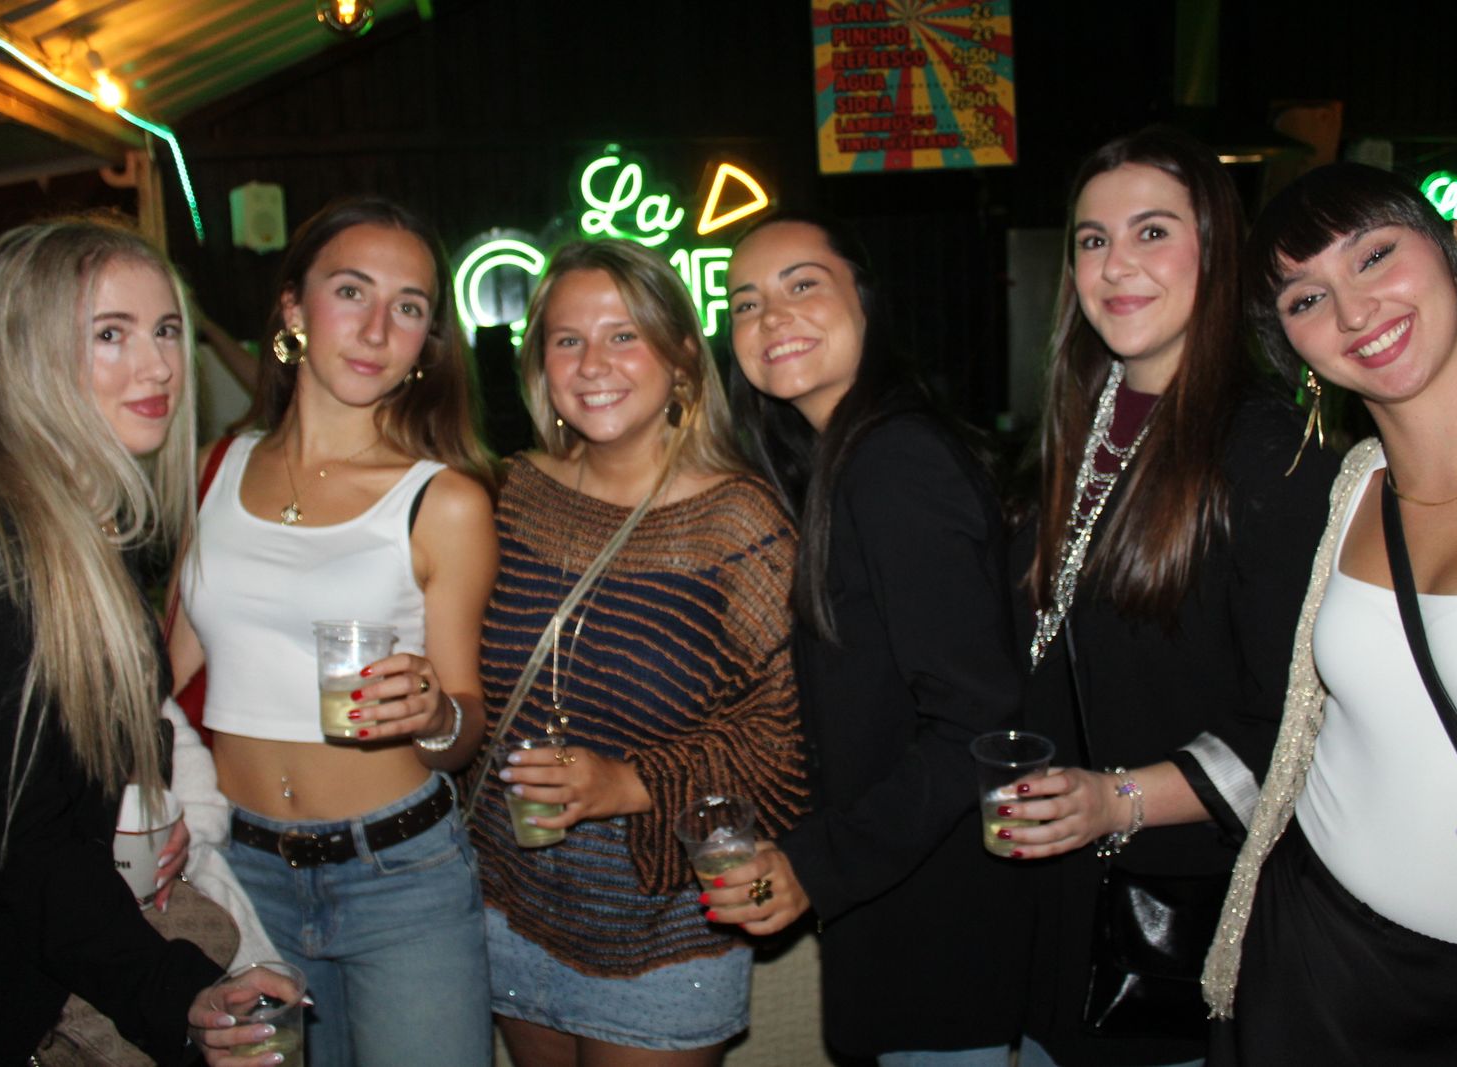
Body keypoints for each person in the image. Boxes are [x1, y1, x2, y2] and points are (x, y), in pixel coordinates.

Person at [1005, 127, 1340, 1067]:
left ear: (1216, 251)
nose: (1118, 266)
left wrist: (1119, 799)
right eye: (1092, 239)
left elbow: (1298, 720)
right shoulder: (1077, 426)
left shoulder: (1267, 446)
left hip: (1170, 927)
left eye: (1153, 232)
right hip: (1049, 918)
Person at [0, 216, 281, 1065]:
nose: (159, 364)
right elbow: (9, 845)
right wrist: (169, 992)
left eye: (166, 330)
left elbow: (71, 770)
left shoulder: (90, 531)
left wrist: (134, 818)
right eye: (111, 335)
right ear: (25, 355)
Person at [1203, 162, 1457, 1066]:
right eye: (1306, 298)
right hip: (1304, 946)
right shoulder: (1352, 488)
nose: (1352, 314)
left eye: (1376, 254)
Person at [168, 197, 499, 1067]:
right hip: (240, 872)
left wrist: (431, 709)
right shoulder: (211, 467)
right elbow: (162, 677)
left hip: (399, 876)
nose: (377, 326)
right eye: (351, 290)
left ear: (428, 340)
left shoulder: (445, 499)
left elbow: (464, 727)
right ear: (292, 308)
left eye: (411, 306)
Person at [470, 238, 805, 1066]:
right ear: (540, 364)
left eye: (625, 334)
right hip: (504, 905)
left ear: (683, 358)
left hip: (662, 933)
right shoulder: (508, 494)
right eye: (567, 339)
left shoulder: (739, 524)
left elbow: (787, 742)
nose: (593, 363)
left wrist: (628, 782)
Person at [709, 214, 1024, 1063]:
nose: (771, 317)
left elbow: (976, 720)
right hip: (909, 925)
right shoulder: (839, 463)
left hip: (946, 941)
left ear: (867, 302)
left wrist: (819, 862)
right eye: (744, 302)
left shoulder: (894, 461)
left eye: (802, 284)